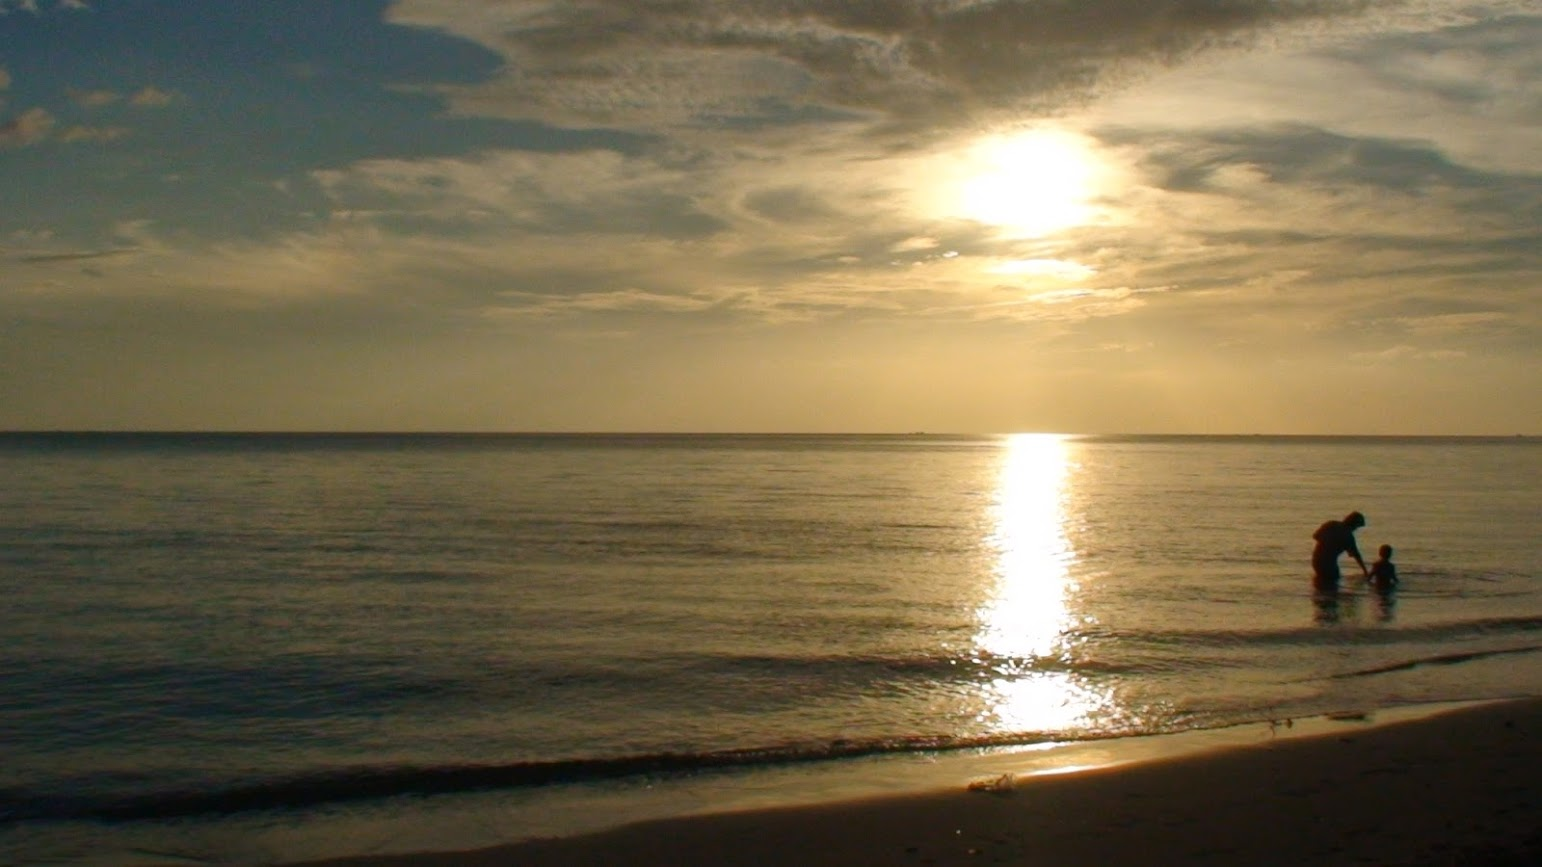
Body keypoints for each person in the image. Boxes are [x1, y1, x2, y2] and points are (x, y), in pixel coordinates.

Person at [1311, 511, 1368, 591]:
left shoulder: (1331, 524)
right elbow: (1356, 555)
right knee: (1332, 587)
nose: (1356, 529)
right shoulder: (1348, 537)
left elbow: (1315, 536)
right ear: (1354, 524)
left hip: (1316, 560)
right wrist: (1365, 571)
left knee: (1322, 584)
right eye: (1357, 526)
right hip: (1330, 565)